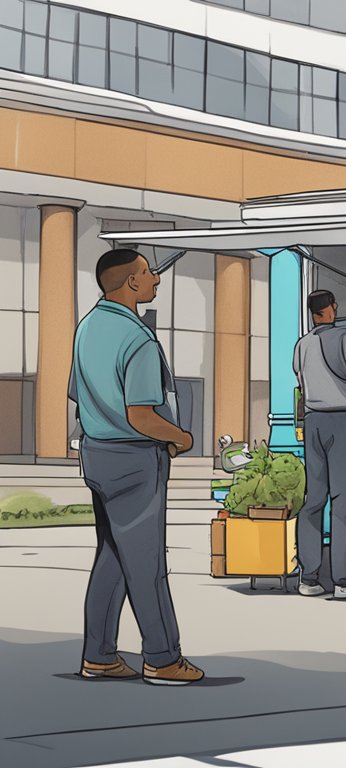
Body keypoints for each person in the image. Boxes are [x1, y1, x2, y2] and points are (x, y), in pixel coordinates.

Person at [69, 248, 204, 685]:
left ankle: (99, 655)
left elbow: (76, 393)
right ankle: (163, 659)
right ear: (130, 281)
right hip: (134, 458)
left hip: (97, 454)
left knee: (112, 555)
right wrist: (180, 437)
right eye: (149, 274)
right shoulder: (138, 339)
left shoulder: (87, 328)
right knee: (146, 564)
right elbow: (141, 415)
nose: (156, 281)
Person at [293, 290, 346, 599]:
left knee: (313, 500)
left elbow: (303, 385)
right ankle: (343, 581)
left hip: (313, 422)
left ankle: (309, 578)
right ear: (332, 309)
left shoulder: (302, 345)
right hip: (341, 423)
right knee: (343, 503)